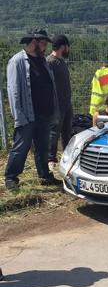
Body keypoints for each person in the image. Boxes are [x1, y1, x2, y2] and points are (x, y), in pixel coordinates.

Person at [4, 30, 60, 190]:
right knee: (21, 147)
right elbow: (13, 91)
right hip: (27, 115)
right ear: (34, 42)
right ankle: (11, 178)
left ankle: (45, 175)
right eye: (43, 44)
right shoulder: (17, 61)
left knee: (42, 147)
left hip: (45, 113)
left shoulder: (42, 61)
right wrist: (18, 116)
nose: (45, 47)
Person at [47, 34, 72, 171]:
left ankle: (67, 156)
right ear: (63, 47)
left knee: (66, 132)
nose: (69, 49)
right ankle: (51, 159)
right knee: (54, 132)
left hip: (67, 103)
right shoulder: (50, 62)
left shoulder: (61, 61)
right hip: (56, 105)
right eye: (68, 46)